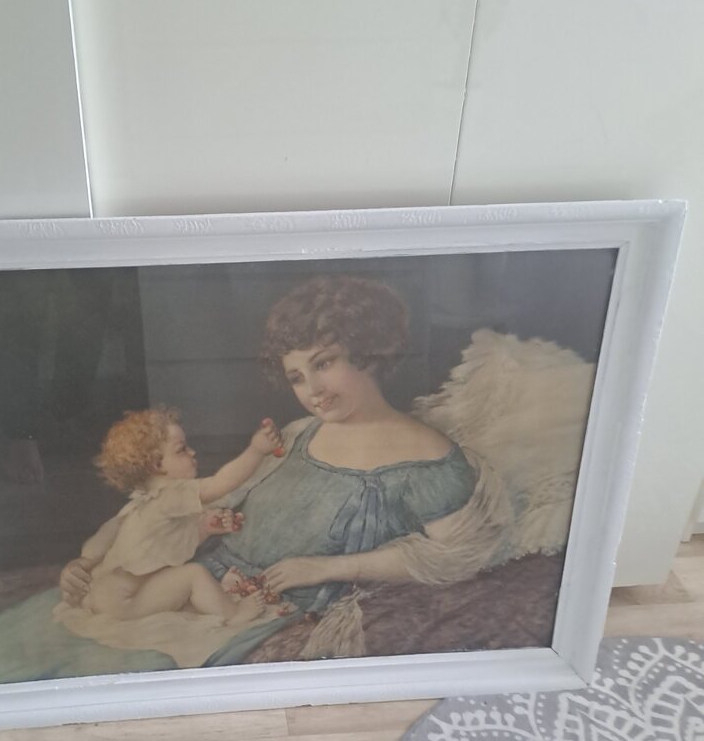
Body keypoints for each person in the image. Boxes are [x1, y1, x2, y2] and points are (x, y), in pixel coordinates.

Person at [59, 275, 512, 668]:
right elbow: (192, 506)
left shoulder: (429, 459)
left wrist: (323, 568)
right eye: (296, 377)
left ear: (368, 352)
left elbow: (451, 556)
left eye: (323, 364)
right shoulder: (298, 434)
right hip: (203, 583)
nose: (312, 390)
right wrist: (91, 562)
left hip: (264, 607)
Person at [56, 408, 284, 628]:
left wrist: (204, 528)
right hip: (124, 603)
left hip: (100, 596)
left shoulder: (136, 506)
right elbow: (219, 484)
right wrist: (256, 450)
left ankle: (217, 598)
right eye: (182, 449)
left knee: (179, 584)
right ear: (157, 465)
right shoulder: (169, 494)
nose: (192, 453)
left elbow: (112, 543)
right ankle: (235, 614)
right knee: (194, 575)